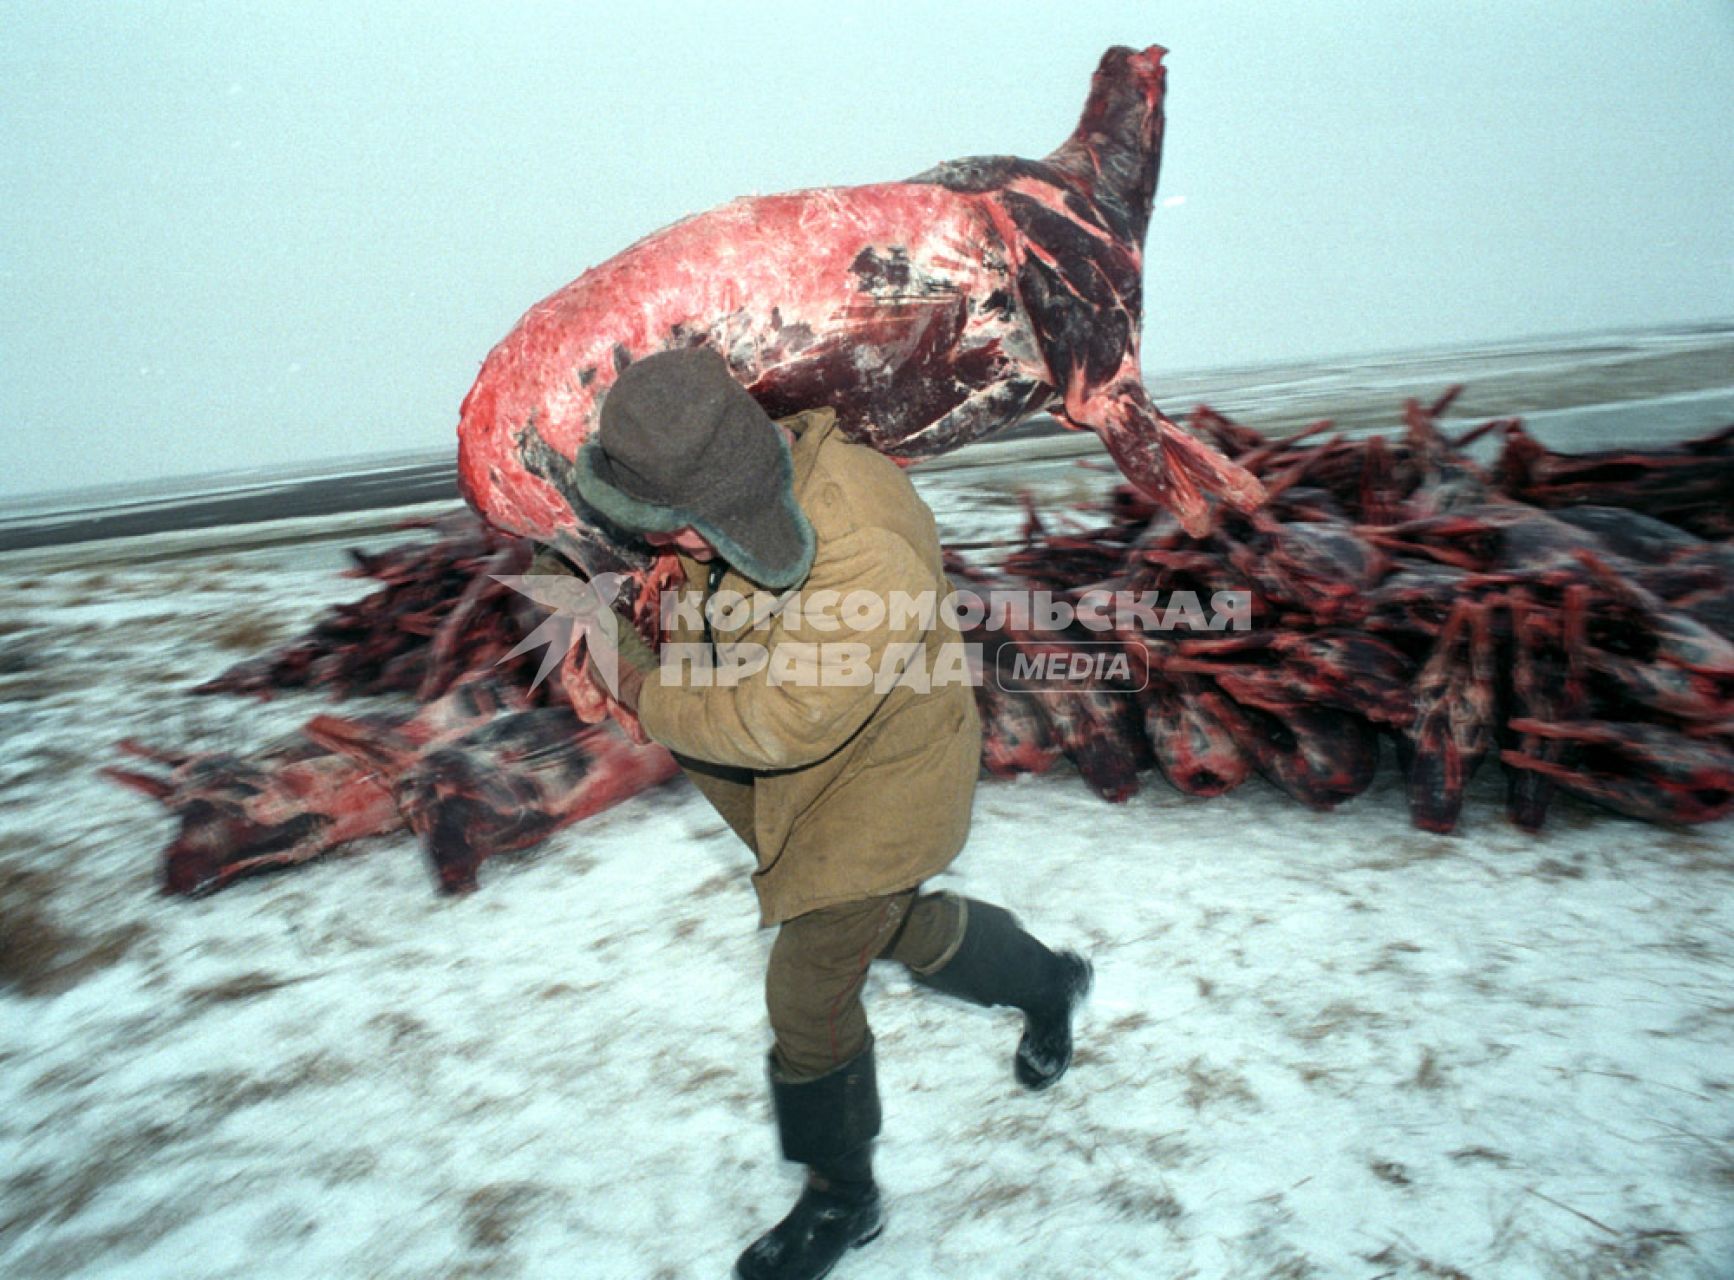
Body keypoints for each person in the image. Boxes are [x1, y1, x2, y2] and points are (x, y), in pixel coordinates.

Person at [570, 346, 1092, 1280]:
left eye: (677, 531)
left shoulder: (856, 544)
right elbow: (710, 596)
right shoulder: (748, 473)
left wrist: (642, 691)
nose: (667, 550)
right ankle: (1048, 981)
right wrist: (581, 578)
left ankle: (842, 1198)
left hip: (880, 785)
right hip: (813, 773)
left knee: (807, 993)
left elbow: (779, 718)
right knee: (899, 930)